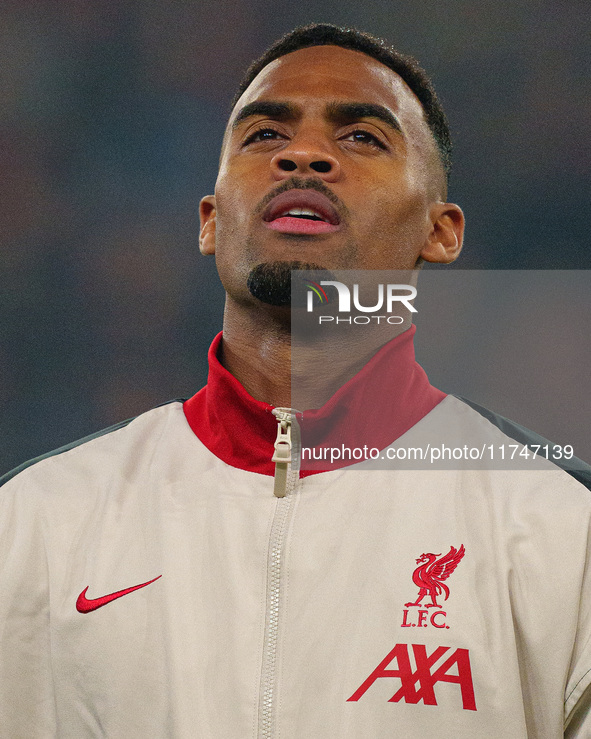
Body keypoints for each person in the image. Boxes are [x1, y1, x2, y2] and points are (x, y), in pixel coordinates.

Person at [1, 23, 590, 738]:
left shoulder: (562, 529)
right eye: (262, 136)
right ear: (211, 220)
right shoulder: (35, 523)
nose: (302, 154)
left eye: (362, 138)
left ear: (441, 232)